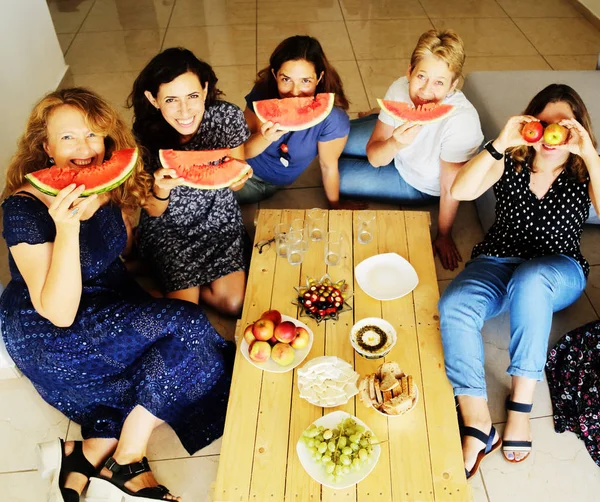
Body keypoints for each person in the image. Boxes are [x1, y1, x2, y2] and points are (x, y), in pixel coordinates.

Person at [0, 88, 235, 501]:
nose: (85, 149)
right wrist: (68, 227)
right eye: (68, 137)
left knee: (207, 356)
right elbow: (58, 311)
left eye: (94, 135)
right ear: (46, 146)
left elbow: (115, 254)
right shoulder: (23, 208)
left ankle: (88, 449)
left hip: (108, 302)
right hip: (53, 332)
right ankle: (127, 458)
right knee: (192, 328)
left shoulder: (105, 183)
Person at [438, 84, 599, 478]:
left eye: (563, 125)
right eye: (543, 123)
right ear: (530, 124)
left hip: (557, 270)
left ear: (577, 130)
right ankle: (476, 423)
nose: (550, 133)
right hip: (498, 260)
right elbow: (459, 189)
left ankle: (520, 408)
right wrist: (499, 142)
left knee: (531, 279)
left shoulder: (584, 168)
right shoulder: (511, 157)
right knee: (453, 304)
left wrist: (590, 154)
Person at [337, 30, 484, 270]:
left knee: (337, 175)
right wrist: (395, 142)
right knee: (333, 139)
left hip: (416, 183)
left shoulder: (462, 121)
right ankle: (377, 115)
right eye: (421, 77)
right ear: (409, 72)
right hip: (395, 148)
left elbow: (449, 187)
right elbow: (375, 156)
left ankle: (375, 117)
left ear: (453, 85)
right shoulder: (399, 88)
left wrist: (444, 234)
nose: (426, 92)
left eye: (439, 83)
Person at [129, 47, 251, 315]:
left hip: (220, 221)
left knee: (233, 304)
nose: (185, 110)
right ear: (153, 99)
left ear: (205, 91)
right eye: (171, 100)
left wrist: (238, 176)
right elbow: (153, 209)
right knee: (184, 309)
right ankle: (153, 265)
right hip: (170, 229)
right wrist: (160, 188)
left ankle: (156, 272)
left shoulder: (226, 117)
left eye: (193, 96)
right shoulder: (143, 134)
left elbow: (237, 182)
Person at [235, 35, 358, 208]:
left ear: (319, 77)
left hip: (260, 181)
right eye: (286, 79)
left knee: (204, 197)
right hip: (234, 159)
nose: (295, 92)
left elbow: (328, 165)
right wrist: (266, 137)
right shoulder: (263, 94)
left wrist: (335, 205)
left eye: (305, 81)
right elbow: (241, 151)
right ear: (274, 75)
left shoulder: (333, 118)